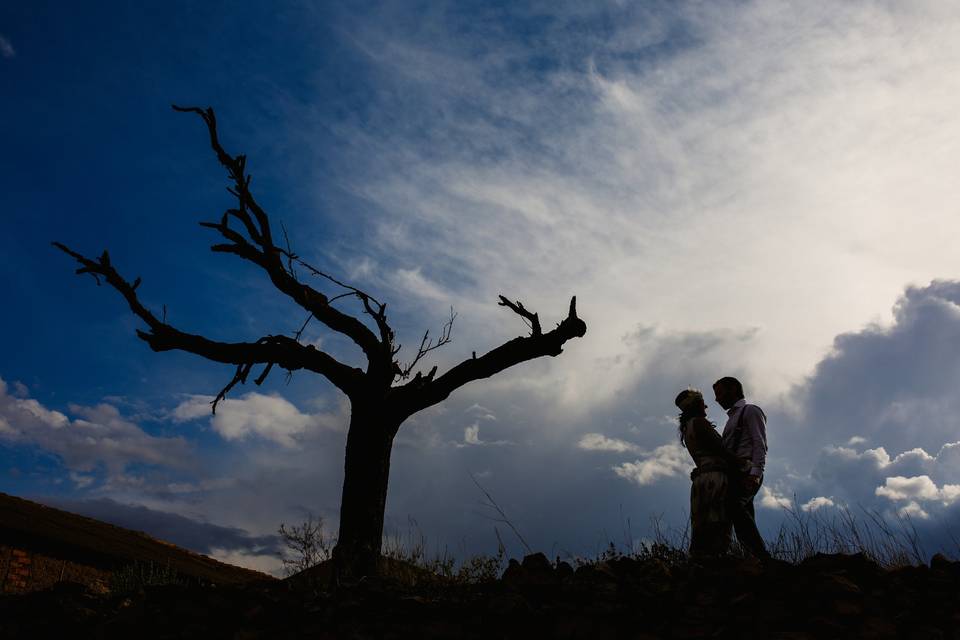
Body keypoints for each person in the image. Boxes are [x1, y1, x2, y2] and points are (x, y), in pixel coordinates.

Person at [713, 376, 770, 560]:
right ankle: (754, 559)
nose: (717, 399)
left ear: (734, 390)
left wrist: (755, 474)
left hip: (747, 472)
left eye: (719, 393)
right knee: (744, 515)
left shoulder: (750, 411)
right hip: (735, 474)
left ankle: (761, 556)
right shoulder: (732, 419)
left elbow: (759, 444)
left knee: (733, 507)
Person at [674, 388, 732, 557]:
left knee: (702, 525)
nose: (706, 406)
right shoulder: (699, 423)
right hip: (714, 479)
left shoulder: (687, 429)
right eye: (702, 403)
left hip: (701, 480)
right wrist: (742, 463)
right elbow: (721, 449)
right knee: (718, 522)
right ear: (697, 405)